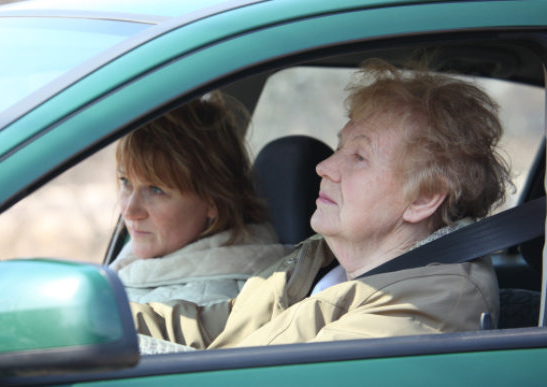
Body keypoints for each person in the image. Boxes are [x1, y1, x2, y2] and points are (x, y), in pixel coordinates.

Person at [130, 59, 510, 350]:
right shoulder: (320, 263)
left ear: (423, 198)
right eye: (340, 146)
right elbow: (219, 328)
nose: (325, 166)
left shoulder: (423, 309)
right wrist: (98, 316)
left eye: (358, 157)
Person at [110, 92, 291, 306]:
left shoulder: (203, 306)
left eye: (156, 189)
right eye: (126, 181)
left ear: (213, 199)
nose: (129, 210)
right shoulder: (152, 256)